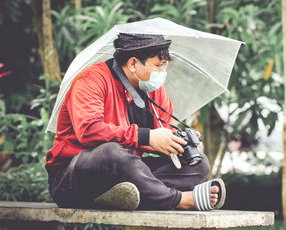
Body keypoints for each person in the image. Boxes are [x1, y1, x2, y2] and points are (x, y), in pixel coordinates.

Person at [45, 33, 225, 211]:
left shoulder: (154, 89)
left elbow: (163, 131)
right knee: (113, 152)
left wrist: (179, 142)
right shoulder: (92, 80)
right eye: (158, 66)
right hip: (72, 178)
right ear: (133, 64)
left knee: (199, 164)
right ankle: (178, 199)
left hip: (126, 172)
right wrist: (146, 137)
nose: (163, 73)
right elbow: (89, 130)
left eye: (165, 67)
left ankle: (123, 196)